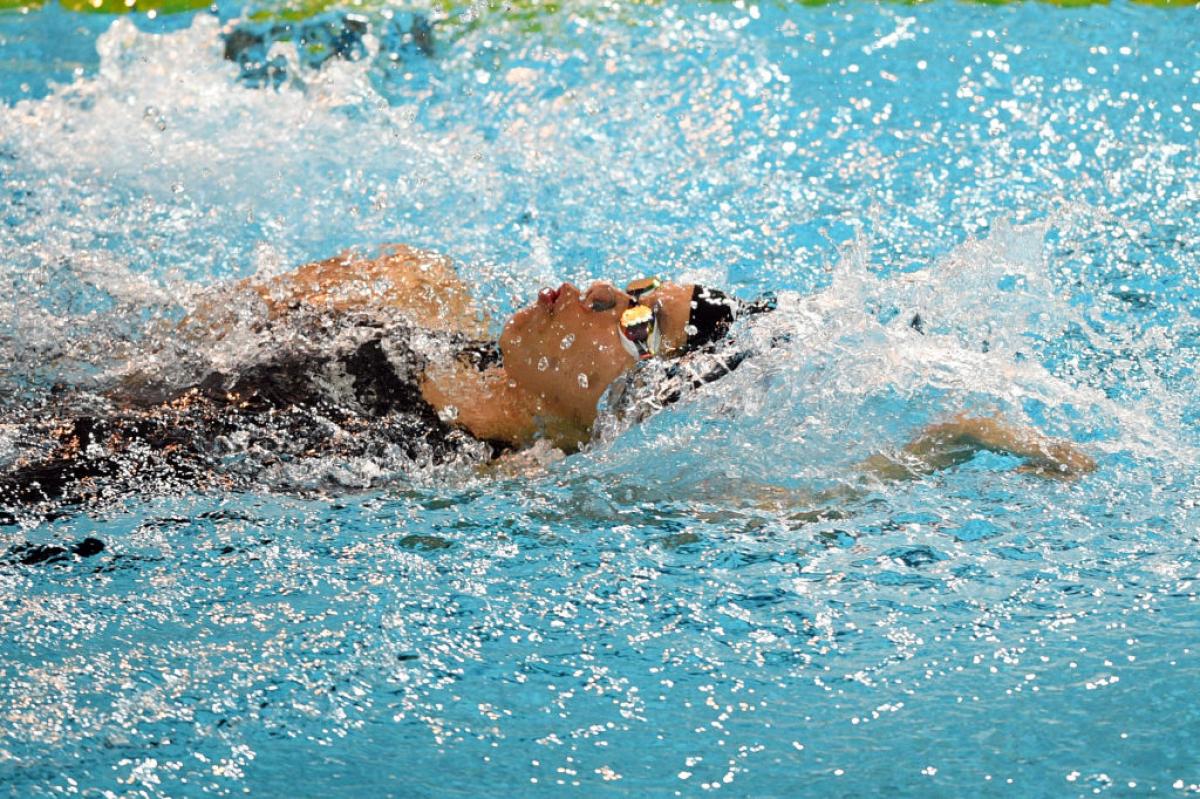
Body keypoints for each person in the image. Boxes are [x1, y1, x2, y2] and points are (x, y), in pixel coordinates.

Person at [0, 244, 1093, 521]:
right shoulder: (407, 287)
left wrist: (959, 437)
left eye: (633, 317)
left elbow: (775, 510)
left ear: (634, 406)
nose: (593, 287)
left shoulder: (499, 479)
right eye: (633, 278)